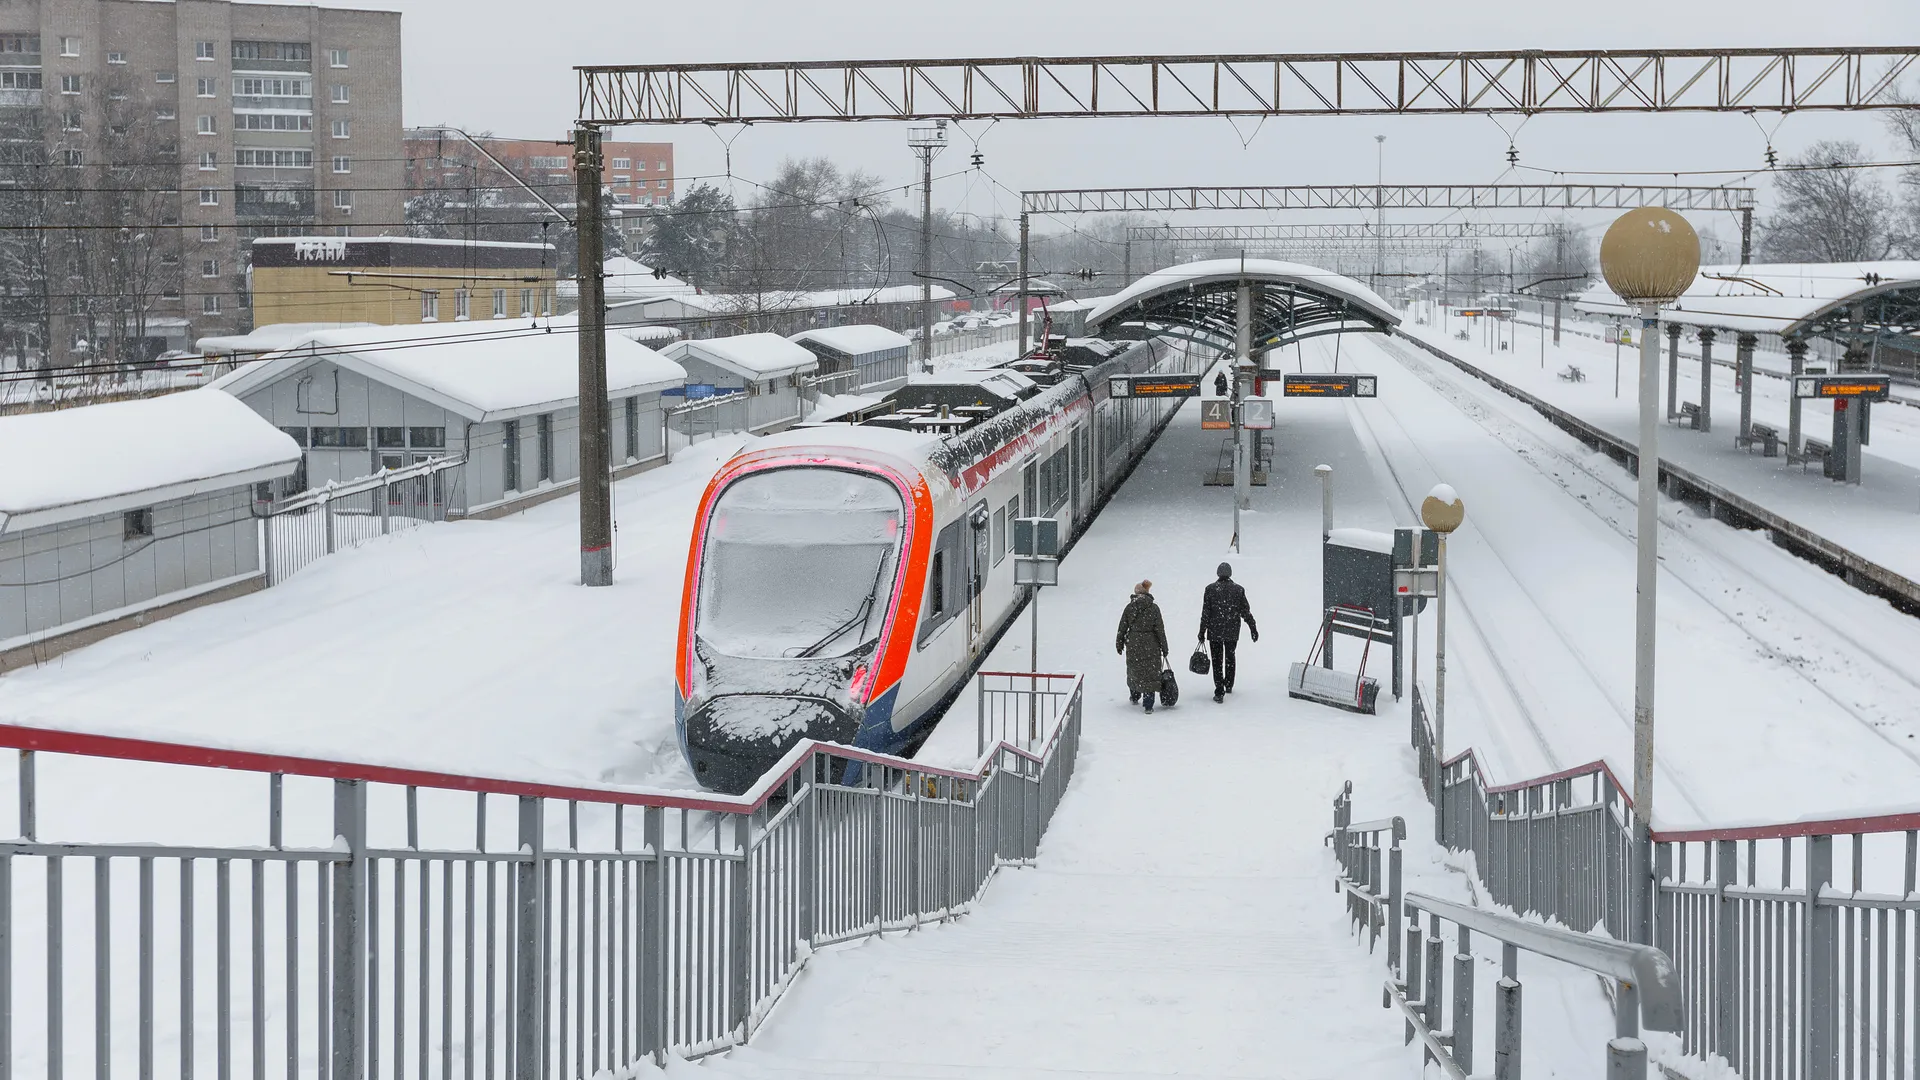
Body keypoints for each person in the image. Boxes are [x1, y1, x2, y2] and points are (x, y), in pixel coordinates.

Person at [1198, 562, 1258, 703]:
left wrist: (1202, 631)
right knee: (1230, 657)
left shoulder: (1210, 589)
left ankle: (1219, 690)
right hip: (1232, 630)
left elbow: (1206, 613)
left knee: (1217, 661)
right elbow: (1245, 611)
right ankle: (1229, 684)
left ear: (1218, 573)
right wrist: (1253, 627)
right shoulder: (1238, 590)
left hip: (1215, 631)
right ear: (1230, 573)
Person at [1115, 580, 1168, 713]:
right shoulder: (1153, 608)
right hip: (1151, 644)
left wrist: (1119, 643)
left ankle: (1134, 695)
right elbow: (1160, 629)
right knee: (1150, 673)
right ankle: (1148, 704)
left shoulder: (1130, 608)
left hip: (1134, 643)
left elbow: (1122, 627)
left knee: (1135, 670)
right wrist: (1164, 647)